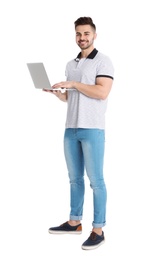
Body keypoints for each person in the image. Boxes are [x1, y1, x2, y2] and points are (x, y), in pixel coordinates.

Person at [45, 16, 114, 250]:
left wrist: (73, 84)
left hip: (92, 128)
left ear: (94, 35)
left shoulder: (103, 62)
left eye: (86, 33)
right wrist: (59, 94)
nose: (82, 38)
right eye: (78, 34)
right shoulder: (71, 64)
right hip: (70, 128)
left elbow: (101, 92)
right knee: (74, 179)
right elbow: (71, 98)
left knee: (96, 181)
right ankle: (75, 222)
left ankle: (98, 229)